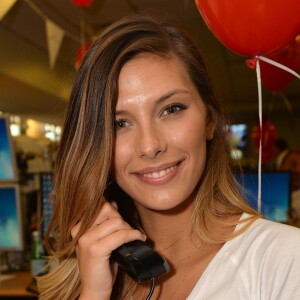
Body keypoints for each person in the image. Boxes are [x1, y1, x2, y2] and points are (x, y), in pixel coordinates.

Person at [37, 15, 300, 299]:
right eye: (119, 124)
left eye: (171, 109)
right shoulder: (86, 273)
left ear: (210, 119)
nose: (150, 146)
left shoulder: (284, 260)